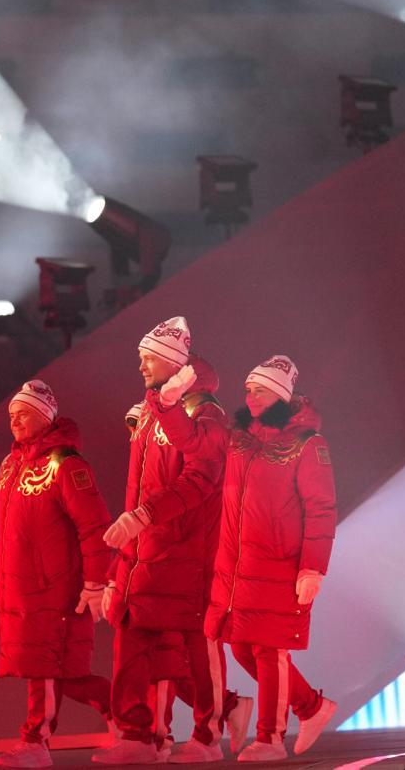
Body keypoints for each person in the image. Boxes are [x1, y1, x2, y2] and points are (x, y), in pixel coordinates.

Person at [95, 317, 229, 765]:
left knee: (197, 645)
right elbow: (140, 487)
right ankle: (137, 737)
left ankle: (208, 736)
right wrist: (118, 565)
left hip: (188, 553)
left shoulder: (206, 413)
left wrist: (144, 516)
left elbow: (201, 481)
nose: (141, 367)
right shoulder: (151, 411)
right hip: (144, 555)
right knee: (131, 641)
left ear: (173, 362)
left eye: (148, 358)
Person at [194, 356, 338, 760]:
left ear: (280, 394)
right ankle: (310, 706)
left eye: (259, 389)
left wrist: (313, 567)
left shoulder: (307, 444)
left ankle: (271, 738)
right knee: (242, 646)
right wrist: (166, 405)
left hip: (279, 565)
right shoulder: (240, 438)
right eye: (248, 389)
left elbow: (321, 508)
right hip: (237, 567)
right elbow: (195, 444)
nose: (250, 397)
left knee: (268, 649)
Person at [0, 380, 114, 769]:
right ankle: (130, 714)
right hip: (20, 587)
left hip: (57, 589)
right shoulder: (10, 465)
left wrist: (95, 583)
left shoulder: (66, 464)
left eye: (23, 414)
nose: (15, 422)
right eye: (11, 415)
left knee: (45, 668)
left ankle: (35, 741)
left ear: (45, 417)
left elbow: (94, 527)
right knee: (59, 671)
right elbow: (5, 531)